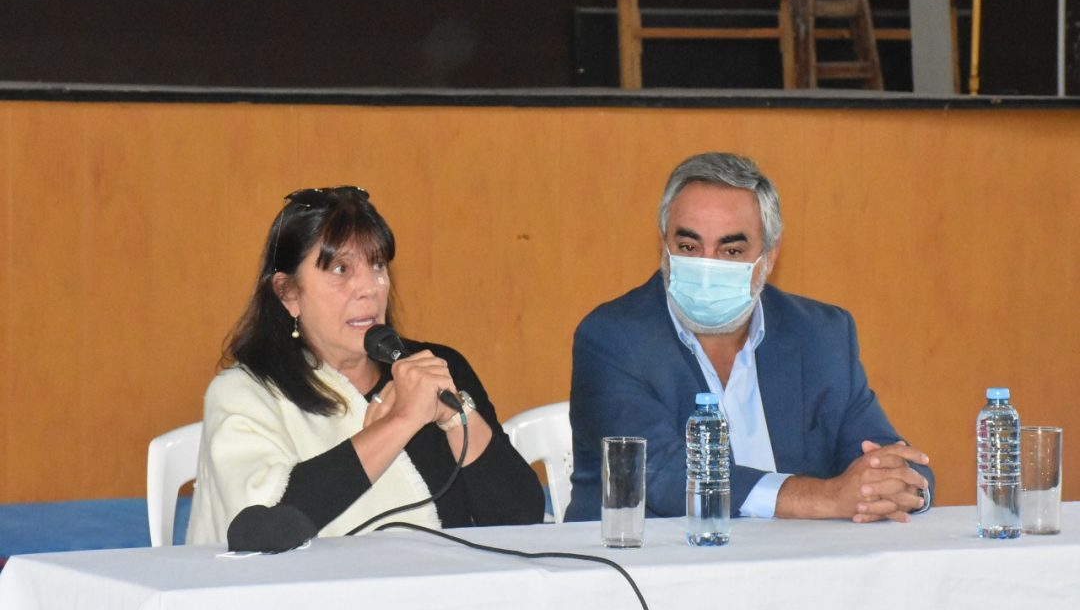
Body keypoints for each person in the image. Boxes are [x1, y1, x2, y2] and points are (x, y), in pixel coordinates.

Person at [565, 153, 933, 524]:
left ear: (768, 257)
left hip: (798, 557)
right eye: (689, 247)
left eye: (731, 251)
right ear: (664, 247)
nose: (707, 266)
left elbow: (883, 453)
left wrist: (896, 484)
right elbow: (660, 472)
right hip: (650, 556)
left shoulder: (820, 335)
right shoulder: (611, 337)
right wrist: (821, 498)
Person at [187, 186, 544, 544]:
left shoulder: (434, 369)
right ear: (288, 293)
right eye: (341, 269)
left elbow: (522, 520)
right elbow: (266, 526)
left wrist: (454, 416)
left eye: (377, 265)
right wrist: (401, 421)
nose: (369, 288)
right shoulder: (245, 393)